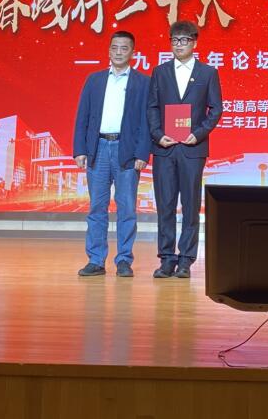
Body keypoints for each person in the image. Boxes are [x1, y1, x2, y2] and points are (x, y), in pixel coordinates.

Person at [72, 31, 152, 278]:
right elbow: (83, 116)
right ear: (108, 50)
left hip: (126, 150)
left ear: (133, 53)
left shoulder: (143, 82)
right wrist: (80, 149)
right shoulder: (94, 80)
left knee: (127, 208)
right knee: (97, 207)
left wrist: (142, 153)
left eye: (124, 48)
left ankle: (124, 260)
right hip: (98, 149)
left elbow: (147, 121)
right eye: (115, 47)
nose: (119, 52)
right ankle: (96, 260)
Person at [147, 20, 223, 279]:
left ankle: (186, 260)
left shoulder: (207, 73)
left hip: (192, 148)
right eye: (174, 40)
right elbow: (152, 107)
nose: (179, 45)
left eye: (184, 40)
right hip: (165, 148)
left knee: (190, 205)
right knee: (165, 205)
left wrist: (198, 133)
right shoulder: (160, 72)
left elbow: (216, 109)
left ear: (194, 43)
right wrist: (158, 135)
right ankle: (166, 258)